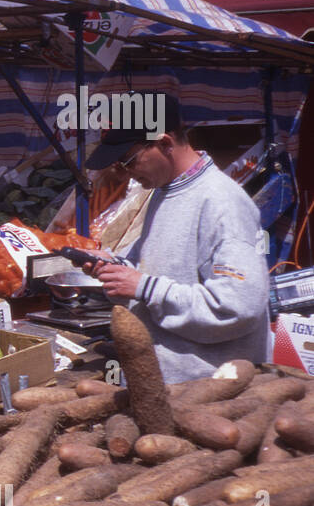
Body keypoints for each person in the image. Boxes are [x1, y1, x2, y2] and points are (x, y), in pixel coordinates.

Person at [83, 94, 271, 383]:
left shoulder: (223, 204)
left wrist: (144, 288)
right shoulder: (165, 191)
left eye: (128, 161)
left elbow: (239, 307)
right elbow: (153, 266)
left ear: (165, 144)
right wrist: (114, 267)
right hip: (167, 386)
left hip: (211, 393)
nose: (126, 175)